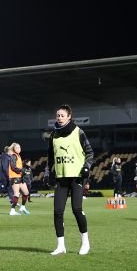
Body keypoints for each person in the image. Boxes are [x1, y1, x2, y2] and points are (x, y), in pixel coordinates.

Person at [44, 104, 94, 255]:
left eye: (62, 115)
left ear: (69, 117)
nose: (59, 118)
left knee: (77, 209)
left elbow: (90, 152)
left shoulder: (79, 132)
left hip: (77, 177)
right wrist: (48, 173)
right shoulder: (53, 135)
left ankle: (85, 243)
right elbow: (50, 158)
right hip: (61, 178)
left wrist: (87, 167)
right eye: (57, 115)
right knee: (58, 211)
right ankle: (61, 246)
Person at [6, 142, 30, 216]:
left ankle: (22, 207)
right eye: (17, 148)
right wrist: (22, 170)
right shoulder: (13, 156)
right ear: (14, 149)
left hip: (19, 177)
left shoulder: (18, 156)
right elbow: (13, 167)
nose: (18, 149)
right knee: (16, 194)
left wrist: (24, 171)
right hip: (14, 177)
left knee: (26, 193)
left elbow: (19, 167)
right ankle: (12, 210)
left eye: (19, 147)